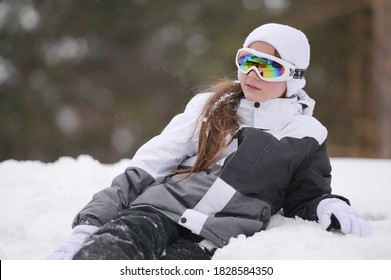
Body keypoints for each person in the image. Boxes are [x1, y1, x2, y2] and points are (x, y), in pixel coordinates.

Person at [48, 23, 371, 260]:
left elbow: (304, 196)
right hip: (157, 209)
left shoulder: (306, 132)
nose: (253, 74)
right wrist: (92, 223)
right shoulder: (212, 106)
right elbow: (150, 164)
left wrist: (327, 204)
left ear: (294, 77)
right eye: (247, 61)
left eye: (268, 67)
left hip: (216, 234)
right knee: (107, 253)